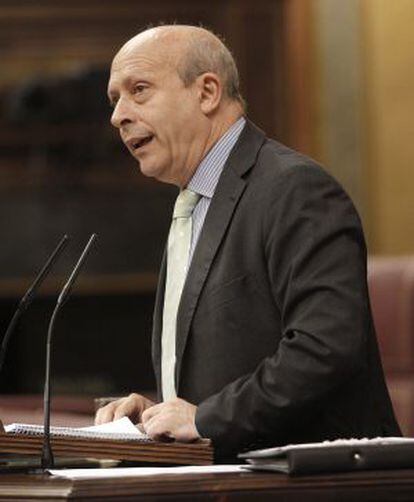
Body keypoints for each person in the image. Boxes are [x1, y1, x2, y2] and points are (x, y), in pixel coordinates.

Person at [95, 25, 400, 459]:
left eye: (138, 90)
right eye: (114, 100)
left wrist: (204, 419)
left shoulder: (296, 189)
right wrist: (158, 415)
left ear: (207, 92)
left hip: (314, 482)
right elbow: (223, 374)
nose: (118, 115)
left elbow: (325, 348)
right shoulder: (192, 203)